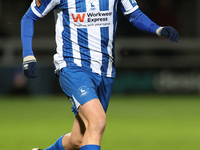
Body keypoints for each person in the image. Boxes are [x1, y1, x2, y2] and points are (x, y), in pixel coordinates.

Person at [21, 0, 179, 150]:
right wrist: (28, 55)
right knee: (97, 121)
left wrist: (157, 29)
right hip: (73, 67)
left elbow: (134, 14)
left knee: (78, 140)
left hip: (106, 71)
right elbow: (29, 16)